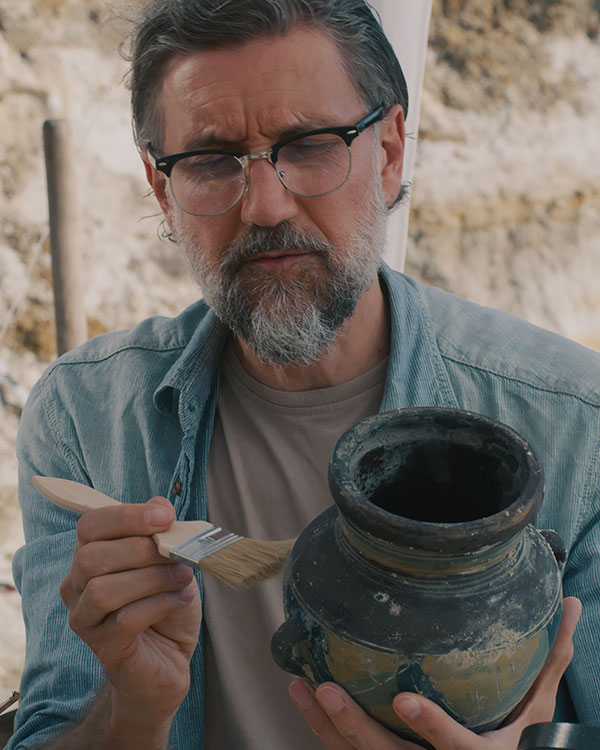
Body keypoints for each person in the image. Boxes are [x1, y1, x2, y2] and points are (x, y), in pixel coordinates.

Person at [9, 1, 598, 748]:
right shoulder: (85, 419)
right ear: (163, 192)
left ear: (389, 152)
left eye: (311, 145)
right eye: (211, 161)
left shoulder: (578, 424)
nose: (264, 204)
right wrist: (135, 708)